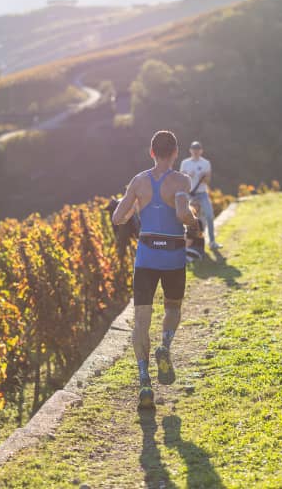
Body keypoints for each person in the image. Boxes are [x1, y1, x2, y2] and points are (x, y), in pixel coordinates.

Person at [112, 130, 198, 409]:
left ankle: (144, 381)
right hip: (173, 256)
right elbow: (182, 213)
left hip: (146, 256)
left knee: (141, 320)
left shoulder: (138, 181)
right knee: (172, 307)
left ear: (151, 152)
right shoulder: (181, 180)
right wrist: (194, 223)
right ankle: (165, 346)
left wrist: (135, 208)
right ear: (175, 153)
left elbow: (118, 217)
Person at [180, 140, 222, 249]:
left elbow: (208, 181)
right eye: (194, 149)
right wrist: (188, 176)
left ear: (201, 151)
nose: (196, 151)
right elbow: (181, 180)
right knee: (186, 218)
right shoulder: (185, 163)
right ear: (190, 150)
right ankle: (185, 243)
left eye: (198, 149)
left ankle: (212, 242)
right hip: (189, 194)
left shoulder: (206, 163)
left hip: (202, 193)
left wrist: (203, 177)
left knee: (209, 215)